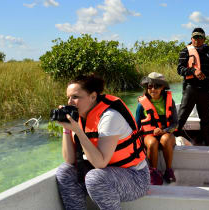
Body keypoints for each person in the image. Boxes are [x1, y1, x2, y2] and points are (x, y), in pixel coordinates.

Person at [55, 74, 149, 210]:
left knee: (95, 178)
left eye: (75, 97)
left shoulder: (110, 117)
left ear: (93, 96)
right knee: (64, 171)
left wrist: (78, 131)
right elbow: (69, 159)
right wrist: (67, 129)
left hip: (135, 178)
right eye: (68, 97)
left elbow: (100, 163)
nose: (70, 102)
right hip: (104, 175)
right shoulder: (79, 117)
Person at [176, 27, 209, 145]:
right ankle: (175, 137)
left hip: (205, 90)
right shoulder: (185, 51)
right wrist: (193, 71)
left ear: (204, 39)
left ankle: (207, 141)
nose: (197, 39)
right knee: (181, 117)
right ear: (191, 38)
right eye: (195, 37)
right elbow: (180, 69)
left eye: (199, 37)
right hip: (190, 88)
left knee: (206, 120)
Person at [135, 72, 178, 185]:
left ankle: (168, 171)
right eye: (150, 86)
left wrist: (164, 130)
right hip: (148, 136)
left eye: (157, 86)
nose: (153, 89)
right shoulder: (141, 104)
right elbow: (136, 125)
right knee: (152, 142)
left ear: (163, 87)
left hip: (166, 133)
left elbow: (175, 123)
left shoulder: (169, 101)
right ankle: (153, 172)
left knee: (165, 139)